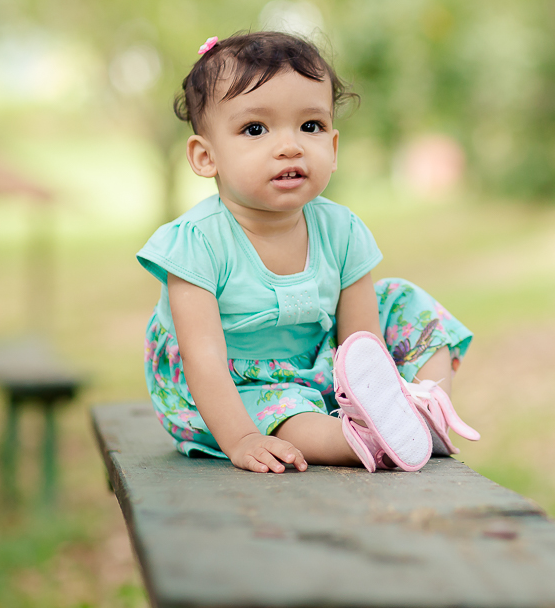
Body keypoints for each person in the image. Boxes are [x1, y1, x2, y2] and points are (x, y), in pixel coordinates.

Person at [138, 32, 478, 473]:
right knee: (284, 414)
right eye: (255, 129)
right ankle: (359, 439)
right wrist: (242, 439)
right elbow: (202, 360)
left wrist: (373, 384)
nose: (290, 146)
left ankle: (424, 408)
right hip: (232, 389)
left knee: (403, 299)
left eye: (310, 126)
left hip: (320, 360)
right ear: (206, 157)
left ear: (332, 149)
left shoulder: (341, 229)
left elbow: (361, 344)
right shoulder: (197, 243)